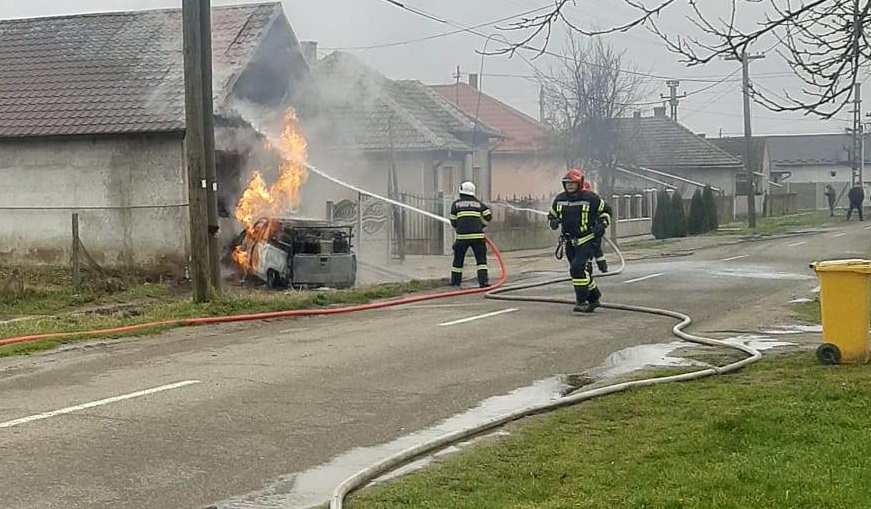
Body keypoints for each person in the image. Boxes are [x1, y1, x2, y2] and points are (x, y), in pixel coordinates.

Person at [548, 169, 612, 313]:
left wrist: (602, 224)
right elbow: (552, 215)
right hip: (569, 242)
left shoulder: (591, 198)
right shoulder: (560, 199)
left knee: (576, 268)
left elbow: (606, 211)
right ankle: (594, 298)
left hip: (587, 240)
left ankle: (581, 301)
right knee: (580, 271)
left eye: (573, 183)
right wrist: (553, 221)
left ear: (579, 183)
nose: (570, 185)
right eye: (567, 183)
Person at [448, 181, 492, 288]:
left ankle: (455, 282)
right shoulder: (478, 203)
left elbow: (453, 220)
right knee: (481, 260)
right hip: (478, 237)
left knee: (458, 260)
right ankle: (483, 282)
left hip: (462, 237)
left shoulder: (456, 204)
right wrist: (482, 226)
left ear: (461, 191)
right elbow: (488, 216)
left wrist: (459, 227)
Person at [583, 181, 608, 274]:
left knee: (595, 248)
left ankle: (601, 267)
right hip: (584, 231)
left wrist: (602, 224)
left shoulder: (594, 199)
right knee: (591, 249)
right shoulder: (577, 200)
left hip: (595, 229)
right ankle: (596, 267)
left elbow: (605, 211)